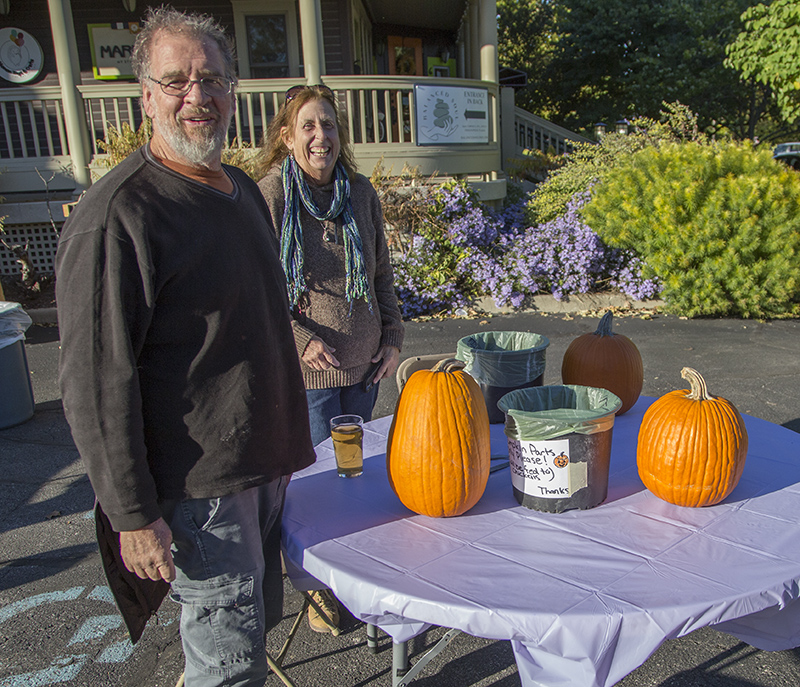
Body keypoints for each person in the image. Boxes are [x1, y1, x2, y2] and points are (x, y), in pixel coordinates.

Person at [55, 7, 315, 686]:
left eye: (212, 80)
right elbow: (94, 382)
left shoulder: (238, 192)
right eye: (176, 82)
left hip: (259, 468)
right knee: (225, 663)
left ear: (232, 90)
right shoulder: (120, 216)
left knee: (246, 635)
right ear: (146, 95)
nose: (197, 97)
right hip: (201, 490)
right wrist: (133, 515)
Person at [257, 85, 405, 631]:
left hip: (365, 366)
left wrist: (393, 336)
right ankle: (318, 588)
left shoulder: (360, 193)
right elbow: (259, 289)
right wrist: (298, 339)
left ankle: (358, 578)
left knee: (357, 478)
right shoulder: (270, 196)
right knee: (315, 483)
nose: (322, 137)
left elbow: (380, 272)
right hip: (310, 373)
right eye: (309, 127)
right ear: (287, 136)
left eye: (330, 126)